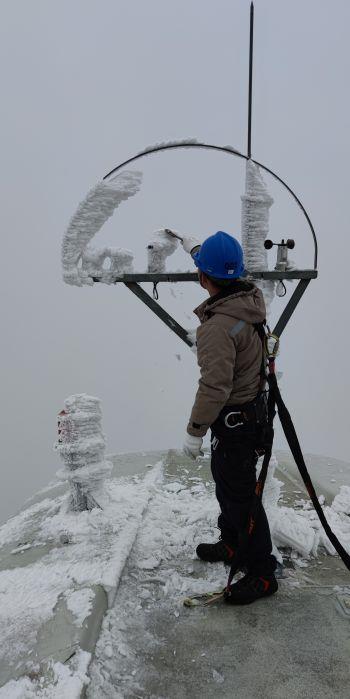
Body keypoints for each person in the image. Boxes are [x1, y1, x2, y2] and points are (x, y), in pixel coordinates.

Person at [182, 230, 278, 605]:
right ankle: (232, 542)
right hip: (251, 417)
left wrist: (195, 430)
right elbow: (220, 267)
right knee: (228, 486)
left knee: (240, 496)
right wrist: (193, 247)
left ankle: (262, 574)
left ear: (203, 279)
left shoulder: (218, 328)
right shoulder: (249, 300)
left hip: (235, 422)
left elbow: (215, 386)